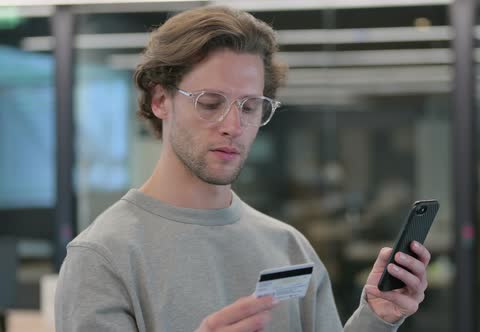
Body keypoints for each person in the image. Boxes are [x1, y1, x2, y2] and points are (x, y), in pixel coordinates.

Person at [55, 5, 431, 332]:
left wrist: (378, 319)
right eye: (210, 102)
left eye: (249, 107)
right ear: (160, 101)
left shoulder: (288, 247)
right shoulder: (103, 257)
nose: (233, 126)